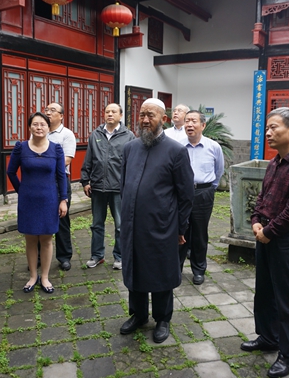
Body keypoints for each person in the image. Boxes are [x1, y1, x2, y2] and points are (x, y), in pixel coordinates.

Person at [241, 107, 289, 378]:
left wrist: (269, 231)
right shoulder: (275, 162)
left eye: (273, 127)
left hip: (287, 240)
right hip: (266, 235)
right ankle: (268, 337)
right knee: (264, 292)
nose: (268, 133)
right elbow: (263, 198)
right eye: (267, 128)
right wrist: (256, 220)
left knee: (287, 300)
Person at [119, 98, 194, 344]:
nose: (144, 120)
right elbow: (123, 186)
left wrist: (181, 227)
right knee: (135, 270)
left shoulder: (176, 151)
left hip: (162, 225)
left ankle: (162, 319)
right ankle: (138, 314)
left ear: (163, 119)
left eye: (150, 115)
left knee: (161, 271)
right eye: (142, 115)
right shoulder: (130, 148)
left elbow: (186, 194)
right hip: (133, 224)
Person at [7, 112, 68, 293]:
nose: (39, 127)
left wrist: (63, 200)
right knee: (31, 239)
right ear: (29, 127)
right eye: (35, 124)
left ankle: (45, 277)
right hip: (28, 201)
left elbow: (61, 176)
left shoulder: (56, 149)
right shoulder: (21, 148)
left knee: (47, 240)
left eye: (43, 124)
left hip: (49, 200)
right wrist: (22, 190)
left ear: (49, 128)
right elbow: (11, 172)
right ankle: (33, 276)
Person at [80, 103, 135, 270]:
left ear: (120, 115)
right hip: (98, 187)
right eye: (107, 111)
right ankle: (97, 255)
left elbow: (132, 163)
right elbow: (89, 159)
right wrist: (85, 181)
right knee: (97, 224)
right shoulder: (96, 134)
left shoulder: (129, 136)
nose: (110, 114)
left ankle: (120, 256)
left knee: (120, 225)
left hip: (119, 188)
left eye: (113, 112)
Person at [178, 110, 224, 285]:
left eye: (193, 121)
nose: (189, 124)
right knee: (179, 231)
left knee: (199, 233)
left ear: (203, 125)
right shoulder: (178, 147)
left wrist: (209, 188)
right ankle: (176, 269)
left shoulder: (213, 147)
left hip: (204, 193)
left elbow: (219, 170)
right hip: (181, 193)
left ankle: (198, 270)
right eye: (187, 121)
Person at [45, 103, 76, 271]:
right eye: (46, 110)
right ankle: (39, 256)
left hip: (59, 180)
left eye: (52, 110)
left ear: (61, 116)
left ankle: (64, 257)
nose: (48, 113)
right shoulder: (40, 132)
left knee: (62, 218)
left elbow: (67, 159)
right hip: (41, 181)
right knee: (41, 218)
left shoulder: (67, 134)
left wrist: (43, 166)